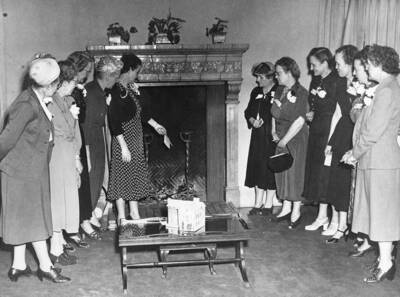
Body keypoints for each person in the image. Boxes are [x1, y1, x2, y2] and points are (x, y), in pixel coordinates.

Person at [0, 54, 70, 282]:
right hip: (20, 172)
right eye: (57, 83)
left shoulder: (36, 99)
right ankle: (46, 266)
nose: (58, 86)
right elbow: (6, 140)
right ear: (48, 85)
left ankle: (18, 265)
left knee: (26, 218)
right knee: (34, 219)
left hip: (33, 169)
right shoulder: (27, 105)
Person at [342, 44, 400, 283]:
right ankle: (385, 259)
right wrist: (355, 151)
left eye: (367, 64)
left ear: (377, 64)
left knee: (383, 214)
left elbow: (374, 130)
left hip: (382, 161)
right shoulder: (384, 88)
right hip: (374, 159)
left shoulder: (387, 90)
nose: (365, 68)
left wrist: (355, 152)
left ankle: (386, 262)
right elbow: (366, 122)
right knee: (378, 213)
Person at [107, 54, 166, 223]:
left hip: (135, 138)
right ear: (130, 69)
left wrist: (156, 126)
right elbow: (114, 120)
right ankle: (121, 216)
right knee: (121, 176)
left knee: (133, 175)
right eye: (137, 71)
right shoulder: (116, 90)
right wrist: (123, 147)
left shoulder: (131, 89)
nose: (137, 75)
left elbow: (142, 113)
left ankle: (134, 212)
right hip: (123, 139)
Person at [80, 55, 122, 238]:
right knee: (92, 181)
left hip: (98, 142)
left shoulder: (100, 92)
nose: (117, 79)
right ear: (107, 75)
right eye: (116, 75)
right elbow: (85, 124)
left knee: (97, 182)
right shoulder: (91, 92)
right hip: (91, 144)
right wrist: (87, 153)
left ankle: (89, 216)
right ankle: (83, 221)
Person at [303, 48, 343, 232]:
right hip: (317, 131)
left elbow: (338, 111)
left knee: (328, 174)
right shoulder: (316, 80)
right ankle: (321, 217)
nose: (311, 68)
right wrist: (311, 113)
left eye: (314, 64)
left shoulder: (338, 80)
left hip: (330, 131)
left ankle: (335, 221)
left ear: (325, 63)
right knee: (318, 172)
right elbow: (314, 102)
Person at [47, 60, 81, 265]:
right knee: (59, 203)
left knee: (63, 202)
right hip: (59, 156)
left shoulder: (61, 100)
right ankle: (55, 250)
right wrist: (73, 116)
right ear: (64, 82)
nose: (76, 85)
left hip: (65, 154)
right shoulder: (53, 102)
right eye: (74, 81)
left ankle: (57, 248)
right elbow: (66, 130)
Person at [323, 45, 358, 243]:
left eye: (338, 63)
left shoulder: (364, 85)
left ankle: (350, 226)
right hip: (342, 132)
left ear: (351, 63)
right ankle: (341, 224)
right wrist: (331, 140)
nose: (336, 67)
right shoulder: (339, 83)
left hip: (355, 132)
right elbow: (338, 113)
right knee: (337, 179)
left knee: (348, 182)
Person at [271, 57, 309, 229]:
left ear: (289, 72)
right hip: (280, 137)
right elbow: (274, 113)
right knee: (282, 172)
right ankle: (286, 207)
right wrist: (274, 132)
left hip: (295, 138)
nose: (276, 77)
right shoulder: (279, 90)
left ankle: (296, 210)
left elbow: (300, 120)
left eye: (279, 73)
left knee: (294, 174)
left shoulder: (302, 93)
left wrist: (285, 140)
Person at [347, 46, 376, 257]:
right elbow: (353, 114)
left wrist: (359, 109)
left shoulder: (379, 93)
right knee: (362, 198)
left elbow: (364, 120)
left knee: (372, 199)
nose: (355, 73)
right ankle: (365, 237)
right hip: (361, 150)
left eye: (357, 69)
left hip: (372, 153)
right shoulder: (364, 92)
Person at [66, 51, 95, 247]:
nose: (87, 75)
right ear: (76, 69)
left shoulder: (78, 89)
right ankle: (72, 228)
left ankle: (81, 221)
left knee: (83, 181)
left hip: (79, 135)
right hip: (68, 138)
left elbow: (82, 119)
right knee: (73, 183)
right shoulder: (69, 91)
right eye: (86, 70)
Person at [244, 62, 280, 216]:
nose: (257, 80)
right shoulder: (256, 91)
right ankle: (257, 203)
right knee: (258, 167)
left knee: (270, 168)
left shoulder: (279, 91)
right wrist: (252, 121)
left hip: (272, 137)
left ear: (270, 77)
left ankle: (268, 204)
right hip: (258, 137)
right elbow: (248, 111)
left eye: (260, 77)